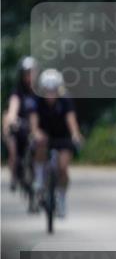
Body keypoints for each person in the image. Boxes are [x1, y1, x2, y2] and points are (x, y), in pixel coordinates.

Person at [29, 69, 83, 217]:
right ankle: (39, 180)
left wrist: (75, 134)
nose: (50, 93)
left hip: (63, 137)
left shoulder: (65, 100)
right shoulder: (37, 100)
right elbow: (34, 121)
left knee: (63, 168)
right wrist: (35, 132)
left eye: (53, 90)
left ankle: (62, 198)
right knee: (40, 141)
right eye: (48, 90)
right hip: (45, 136)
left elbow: (70, 119)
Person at [3, 57, 38, 193]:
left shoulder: (40, 91)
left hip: (35, 128)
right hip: (20, 126)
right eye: (27, 74)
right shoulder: (18, 92)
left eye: (32, 73)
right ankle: (14, 175)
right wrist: (12, 119)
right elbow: (13, 108)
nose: (30, 77)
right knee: (13, 149)